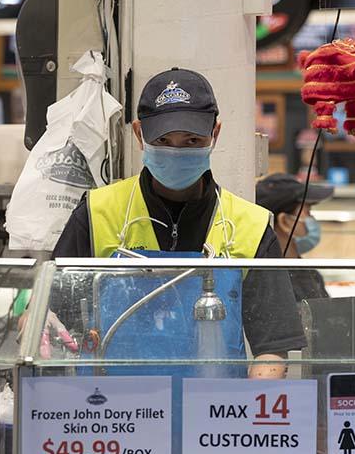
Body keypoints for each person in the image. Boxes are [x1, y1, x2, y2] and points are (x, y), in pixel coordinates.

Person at [52, 67, 306, 379]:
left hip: (214, 415)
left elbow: (272, 346)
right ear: (138, 135)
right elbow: (52, 313)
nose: (176, 151)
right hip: (114, 415)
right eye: (163, 139)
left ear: (215, 134)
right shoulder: (96, 213)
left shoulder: (250, 226)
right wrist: (40, 325)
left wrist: (248, 414)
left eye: (191, 140)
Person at [255, 173, 334, 300]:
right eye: (308, 212)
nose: (312, 219)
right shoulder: (268, 284)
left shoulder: (310, 274)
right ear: (285, 222)